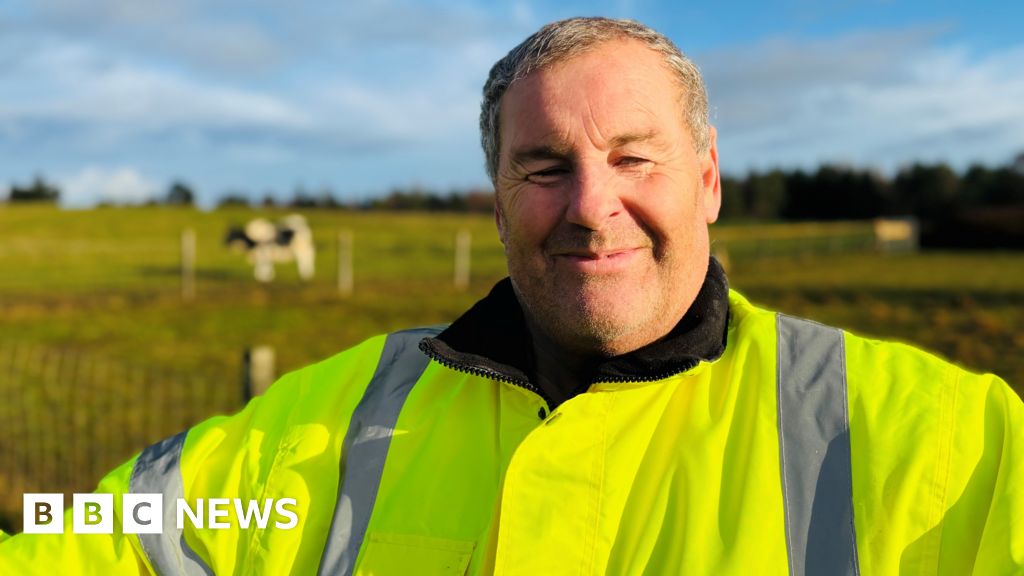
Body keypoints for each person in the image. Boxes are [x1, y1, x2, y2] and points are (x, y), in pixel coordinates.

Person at [1, 16, 1021, 576]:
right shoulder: (330, 424)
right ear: (496, 204)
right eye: (543, 168)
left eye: (632, 157)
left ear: (707, 179)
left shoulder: (938, 436)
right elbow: (99, 538)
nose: (590, 206)